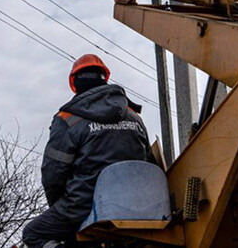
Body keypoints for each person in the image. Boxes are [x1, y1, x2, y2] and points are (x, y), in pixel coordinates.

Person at [21, 54, 155, 248]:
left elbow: (53, 175)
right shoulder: (135, 117)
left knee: (33, 234)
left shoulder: (67, 118)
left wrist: (61, 208)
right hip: (138, 204)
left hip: (83, 205)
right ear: (105, 78)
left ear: (74, 82)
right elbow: (148, 162)